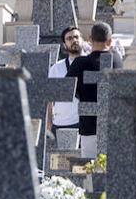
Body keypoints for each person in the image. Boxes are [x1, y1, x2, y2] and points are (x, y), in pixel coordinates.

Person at [71, 22, 124, 158]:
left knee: (90, 171)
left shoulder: (80, 63)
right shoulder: (117, 60)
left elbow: (68, 90)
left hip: (89, 124)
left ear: (89, 39)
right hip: (112, 124)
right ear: (110, 40)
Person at [46, 26, 86, 134]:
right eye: (69, 38)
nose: (74, 40)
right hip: (60, 123)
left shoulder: (92, 64)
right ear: (64, 45)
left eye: (76, 37)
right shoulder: (56, 68)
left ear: (82, 39)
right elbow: (49, 99)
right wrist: (49, 123)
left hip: (85, 123)